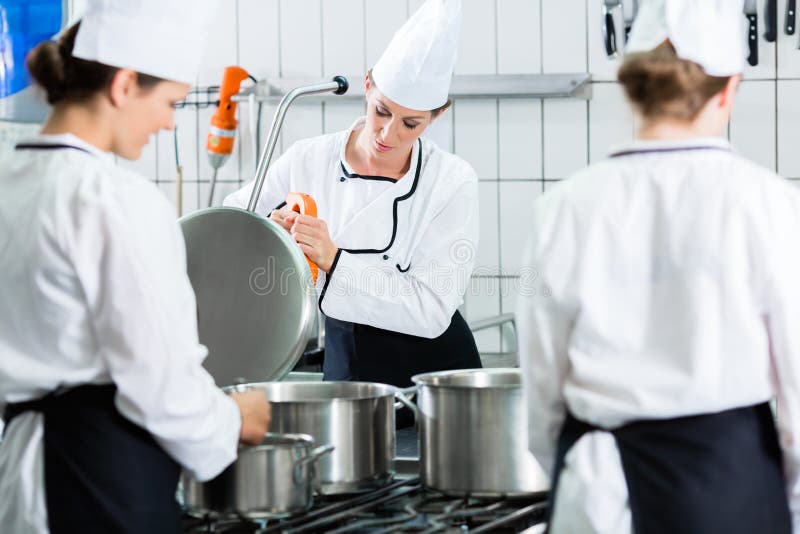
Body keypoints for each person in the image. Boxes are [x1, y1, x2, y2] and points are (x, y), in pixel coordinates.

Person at [517, 0, 798, 532]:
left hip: (598, 494)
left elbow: (541, 387)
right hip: (732, 488)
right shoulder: (768, 204)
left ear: (631, 86)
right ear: (730, 87)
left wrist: (574, 476)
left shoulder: (562, 209)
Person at [0, 2, 271, 533]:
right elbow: (160, 382)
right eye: (169, 101)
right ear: (124, 86)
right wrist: (234, 418)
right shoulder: (113, 199)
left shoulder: (8, 178)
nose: (169, 121)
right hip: (99, 483)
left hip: (23, 475)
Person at [225, 0, 481, 389]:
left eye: (410, 124)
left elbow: (431, 309)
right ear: (366, 87)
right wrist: (269, 230)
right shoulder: (308, 159)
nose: (387, 134)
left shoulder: (450, 181)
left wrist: (333, 259)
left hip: (436, 377)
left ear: (436, 116)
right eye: (382, 111)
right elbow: (231, 222)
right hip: (348, 362)